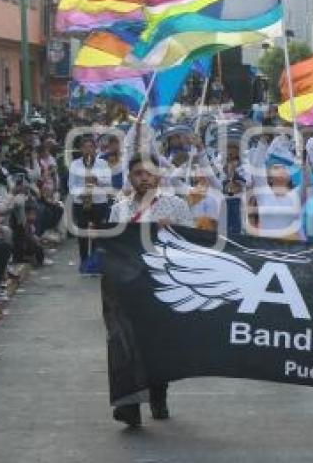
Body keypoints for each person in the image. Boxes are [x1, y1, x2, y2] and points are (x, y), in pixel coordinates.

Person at [107, 154, 194, 429]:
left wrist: (171, 233)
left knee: (156, 346)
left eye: (148, 173)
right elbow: (111, 247)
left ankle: (158, 395)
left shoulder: (176, 206)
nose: (143, 178)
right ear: (130, 177)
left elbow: (192, 246)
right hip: (126, 286)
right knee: (124, 345)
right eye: (137, 173)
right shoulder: (119, 209)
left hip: (161, 285)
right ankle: (128, 406)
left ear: (158, 176)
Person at [68, 136, 112, 273]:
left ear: (95, 149)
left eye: (91, 147)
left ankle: (94, 262)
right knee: (82, 233)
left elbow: (108, 182)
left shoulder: (103, 164)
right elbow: (71, 185)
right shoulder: (75, 164)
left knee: (97, 233)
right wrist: (80, 194)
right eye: (85, 147)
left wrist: (96, 180)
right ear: (81, 149)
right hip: (81, 202)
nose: (88, 150)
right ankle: (83, 260)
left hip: (99, 201)